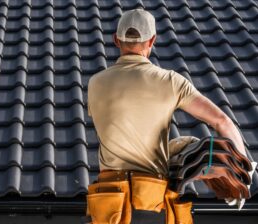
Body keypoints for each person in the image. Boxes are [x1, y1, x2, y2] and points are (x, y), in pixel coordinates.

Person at [86, 8, 249, 223]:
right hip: (150, 204)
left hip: (108, 207)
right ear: (152, 40)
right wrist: (243, 175)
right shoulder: (171, 81)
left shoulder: (95, 83)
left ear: (116, 40)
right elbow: (222, 121)